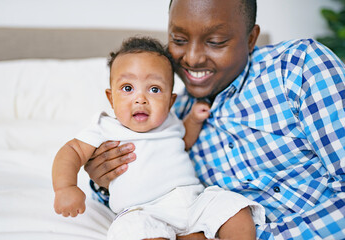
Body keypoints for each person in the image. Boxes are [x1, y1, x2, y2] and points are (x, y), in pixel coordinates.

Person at [85, 0, 345, 239]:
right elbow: (154, 198)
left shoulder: (297, 67)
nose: (193, 58)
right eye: (178, 39)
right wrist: (105, 181)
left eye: (216, 41)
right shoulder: (172, 113)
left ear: (251, 38)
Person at [52, 36, 265, 240]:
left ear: (170, 101)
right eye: (128, 88)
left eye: (154, 89)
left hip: (192, 201)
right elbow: (71, 151)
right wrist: (66, 187)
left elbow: (183, 141)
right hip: (143, 210)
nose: (141, 99)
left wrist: (194, 120)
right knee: (135, 229)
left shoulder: (170, 121)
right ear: (111, 97)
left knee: (233, 208)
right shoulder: (104, 127)